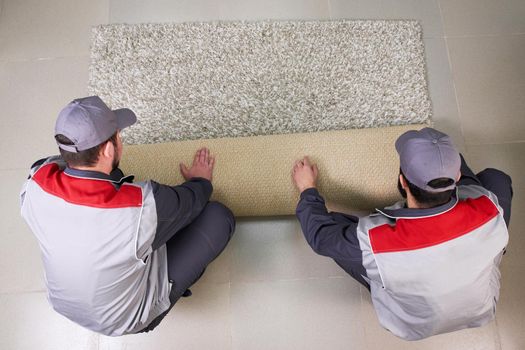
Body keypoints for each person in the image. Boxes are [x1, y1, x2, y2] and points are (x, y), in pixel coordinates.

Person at [20, 96, 235, 336]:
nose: (120, 137)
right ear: (109, 149)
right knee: (218, 217)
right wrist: (200, 180)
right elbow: (192, 200)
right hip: (126, 318)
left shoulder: (35, 184)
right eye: (118, 133)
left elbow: (54, 164)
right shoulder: (141, 205)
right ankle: (165, 294)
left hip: (63, 304)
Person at [292, 127, 512, 341]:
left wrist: (307, 188)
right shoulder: (489, 206)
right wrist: (442, 159)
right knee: (497, 179)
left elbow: (320, 236)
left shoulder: (376, 241)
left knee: (338, 232)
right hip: (480, 311)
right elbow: (471, 185)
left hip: (413, 325)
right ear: (456, 176)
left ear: (402, 182)